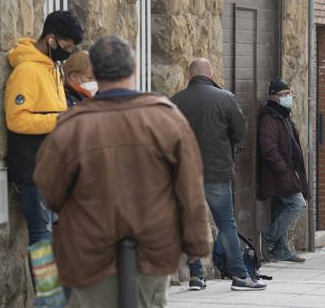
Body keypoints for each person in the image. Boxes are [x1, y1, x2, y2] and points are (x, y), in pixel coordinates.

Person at [33, 36, 212, 308]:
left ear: (94, 72)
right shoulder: (166, 119)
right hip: (153, 247)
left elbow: (49, 188)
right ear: (134, 68)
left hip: (88, 248)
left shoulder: (73, 124)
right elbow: (190, 189)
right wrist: (197, 244)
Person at [171, 58, 266, 291]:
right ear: (211, 73)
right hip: (216, 172)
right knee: (226, 223)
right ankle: (240, 276)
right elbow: (240, 131)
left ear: (189, 74)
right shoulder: (225, 98)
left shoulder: (174, 102)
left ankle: (196, 276)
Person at [4, 10, 83, 247]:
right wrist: (60, 120)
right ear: (51, 39)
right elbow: (16, 120)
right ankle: (48, 287)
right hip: (33, 167)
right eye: (65, 45)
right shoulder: (27, 71)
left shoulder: (52, 68)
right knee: (42, 237)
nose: (67, 52)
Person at [258, 78, 309, 263]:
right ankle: (268, 236)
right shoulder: (270, 118)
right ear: (272, 96)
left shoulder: (283, 115)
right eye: (283, 94)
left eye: (289, 93)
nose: (288, 97)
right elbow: (268, 148)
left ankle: (282, 250)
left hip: (289, 171)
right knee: (297, 205)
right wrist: (283, 168)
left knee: (282, 208)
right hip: (280, 173)